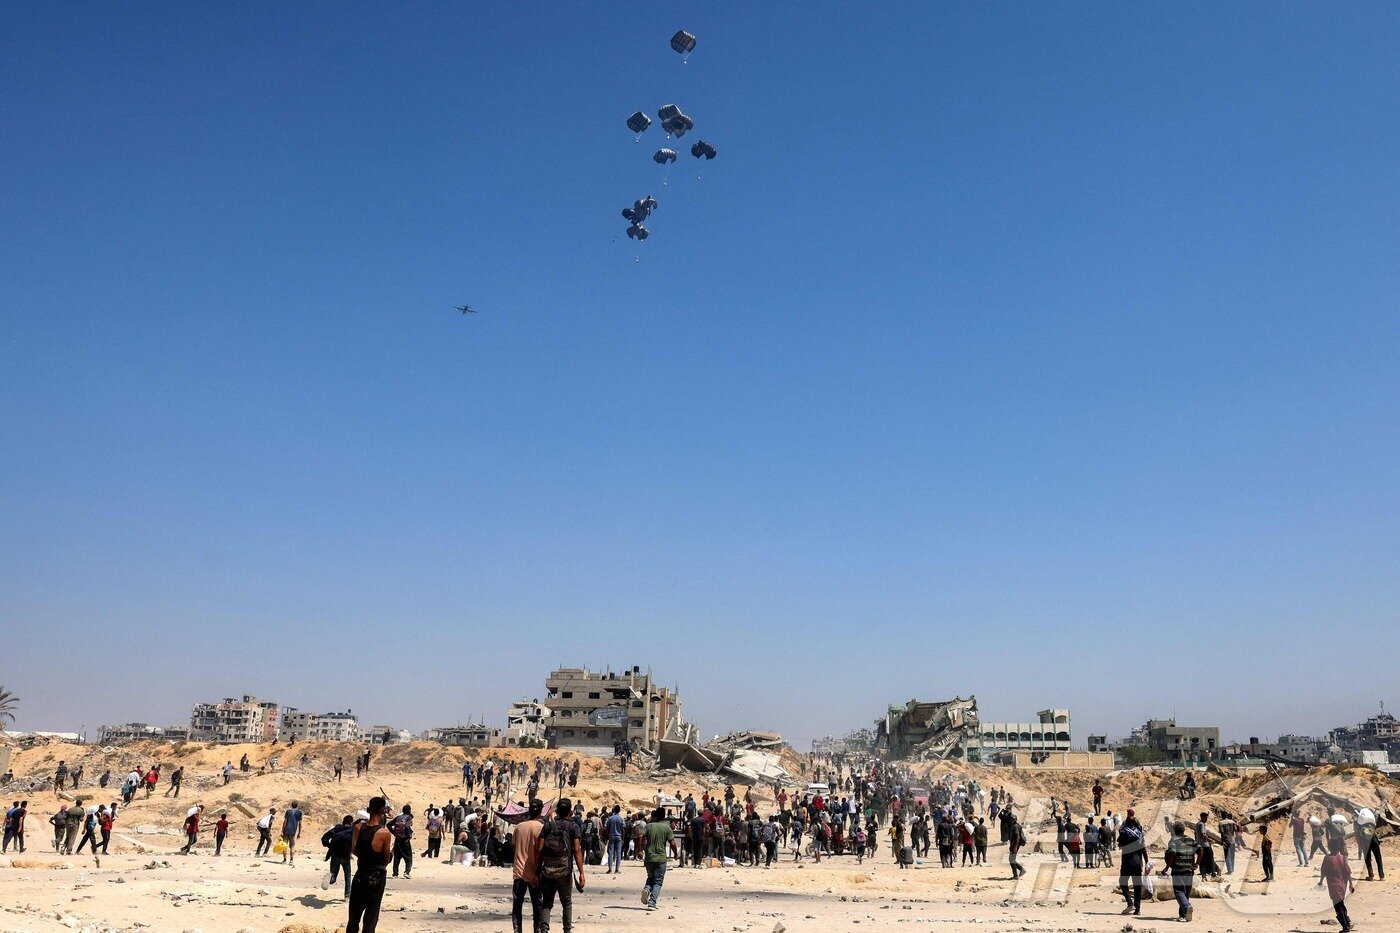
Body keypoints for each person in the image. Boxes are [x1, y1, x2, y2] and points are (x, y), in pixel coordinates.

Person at [537, 798, 585, 933]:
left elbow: (540, 850)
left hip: (548, 870)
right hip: (565, 870)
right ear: (570, 811)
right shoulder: (573, 827)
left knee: (547, 902)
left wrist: (537, 870)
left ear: (557, 810)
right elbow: (577, 850)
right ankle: (567, 930)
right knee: (567, 902)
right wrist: (581, 873)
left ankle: (544, 930)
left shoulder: (548, 826)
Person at [347, 797, 392, 933]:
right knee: (371, 918)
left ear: (368, 809)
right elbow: (386, 858)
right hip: (377, 877)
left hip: (361, 874)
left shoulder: (357, 827)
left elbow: (354, 850)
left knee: (354, 917)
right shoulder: (384, 833)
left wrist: (366, 857)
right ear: (383, 811)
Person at [512, 800, 545, 933]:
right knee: (537, 904)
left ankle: (517, 930)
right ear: (541, 811)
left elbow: (514, 848)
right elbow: (542, 851)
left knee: (517, 904)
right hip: (535, 872)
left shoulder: (518, 827)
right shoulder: (542, 827)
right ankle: (537, 929)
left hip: (519, 872)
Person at [1163, 820, 1200, 922]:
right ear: (1184, 829)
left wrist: (1167, 867)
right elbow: (1200, 850)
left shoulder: (1174, 841)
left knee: (1179, 891)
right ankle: (1183, 915)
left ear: (1174, 830)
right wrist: (1197, 863)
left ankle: (1187, 907)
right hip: (1189, 870)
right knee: (1186, 893)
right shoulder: (1190, 840)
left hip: (1178, 869)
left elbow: (1172, 853)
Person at [641, 807, 676, 911]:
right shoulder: (667, 828)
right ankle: (652, 903)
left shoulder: (648, 826)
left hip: (649, 857)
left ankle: (647, 889)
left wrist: (639, 850)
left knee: (651, 877)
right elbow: (673, 843)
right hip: (661, 858)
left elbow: (641, 836)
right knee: (658, 882)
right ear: (664, 816)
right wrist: (676, 854)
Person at [1319, 839, 1355, 932]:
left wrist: (1321, 881)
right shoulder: (1343, 858)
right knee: (1341, 904)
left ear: (1329, 847)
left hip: (1333, 886)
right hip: (1343, 885)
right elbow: (1348, 872)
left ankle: (1345, 926)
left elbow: (1323, 871)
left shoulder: (1327, 859)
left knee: (1338, 907)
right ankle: (1348, 922)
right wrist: (1351, 884)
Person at [1117, 810, 1145, 915]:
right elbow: (1143, 848)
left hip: (1127, 862)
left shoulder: (1124, 832)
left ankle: (1130, 903)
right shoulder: (1140, 834)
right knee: (1137, 885)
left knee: (1123, 882)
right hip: (1137, 862)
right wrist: (1147, 862)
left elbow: (1120, 844)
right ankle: (1138, 909)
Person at [322, 815, 355, 898]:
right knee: (347, 875)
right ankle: (347, 896)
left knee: (333, 875)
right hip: (346, 855)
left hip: (335, 855)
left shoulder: (336, 829)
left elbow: (324, 838)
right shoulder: (352, 831)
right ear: (351, 823)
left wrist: (329, 846)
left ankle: (330, 878)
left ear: (343, 821)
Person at [388, 804, 413, 878]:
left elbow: (388, 825)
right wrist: (409, 835)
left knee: (396, 858)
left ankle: (395, 874)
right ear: (409, 811)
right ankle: (407, 872)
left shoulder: (398, 817)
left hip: (397, 840)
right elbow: (407, 827)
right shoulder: (408, 817)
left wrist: (394, 833)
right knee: (408, 857)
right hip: (405, 840)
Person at [1007, 813, 1027, 880]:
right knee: (1012, 860)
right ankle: (1018, 873)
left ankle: (1019, 872)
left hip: (1015, 845)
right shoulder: (1015, 825)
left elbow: (1017, 837)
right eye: (1011, 819)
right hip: (1014, 845)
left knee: (1011, 860)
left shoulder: (1015, 826)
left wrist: (1015, 847)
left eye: (1013, 819)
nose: (1011, 820)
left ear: (1015, 819)